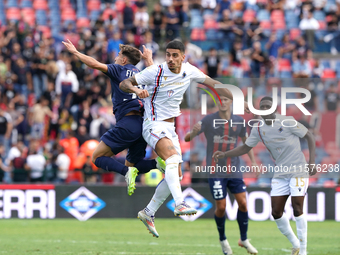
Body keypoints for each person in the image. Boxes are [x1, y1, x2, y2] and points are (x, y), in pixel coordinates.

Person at [119, 40, 244, 237]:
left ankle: (148, 212)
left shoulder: (189, 70)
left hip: (170, 127)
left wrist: (236, 100)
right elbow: (124, 83)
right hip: (153, 124)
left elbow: (214, 84)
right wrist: (136, 90)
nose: (170, 59)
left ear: (183, 57)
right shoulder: (156, 71)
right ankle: (180, 203)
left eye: (175, 55)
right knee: (173, 159)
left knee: (175, 175)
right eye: (168, 54)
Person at [213, 96, 316, 255]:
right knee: (276, 212)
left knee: (297, 208)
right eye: (262, 106)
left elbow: (309, 136)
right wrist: (225, 154)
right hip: (280, 172)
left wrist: (312, 162)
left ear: (274, 108)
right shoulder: (258, 128)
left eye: (268, 106)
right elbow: (246, 147)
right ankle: (295, 243)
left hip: (298, 170)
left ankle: (303, 251)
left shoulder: (287, 121)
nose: (265, 108)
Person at [62, 40, 165, 195]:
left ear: (124, 60)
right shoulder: (143, 75)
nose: (116, 58)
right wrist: (148, 59)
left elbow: (95, 64)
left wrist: (75, 52)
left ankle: (126, 172)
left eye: (118, 55)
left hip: (128, 123)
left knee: (97, 157)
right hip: (143, 125)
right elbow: (155, 75)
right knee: (134, 164)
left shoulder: (119, 69)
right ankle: (158, 164)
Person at [184, 95, 258, 254]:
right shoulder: (209, 120)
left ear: (231, 102)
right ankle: (223, 239)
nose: (223, 102)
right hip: (216, 170)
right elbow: (187, 138)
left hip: (234, 169)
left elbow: (247, 143)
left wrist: (253, 162)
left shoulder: (239, 121)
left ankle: (243, 239)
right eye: (220, 100)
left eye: (226, 99)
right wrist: (193, 132)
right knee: (222, 207)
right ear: (217, 102)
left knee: (243, 203)